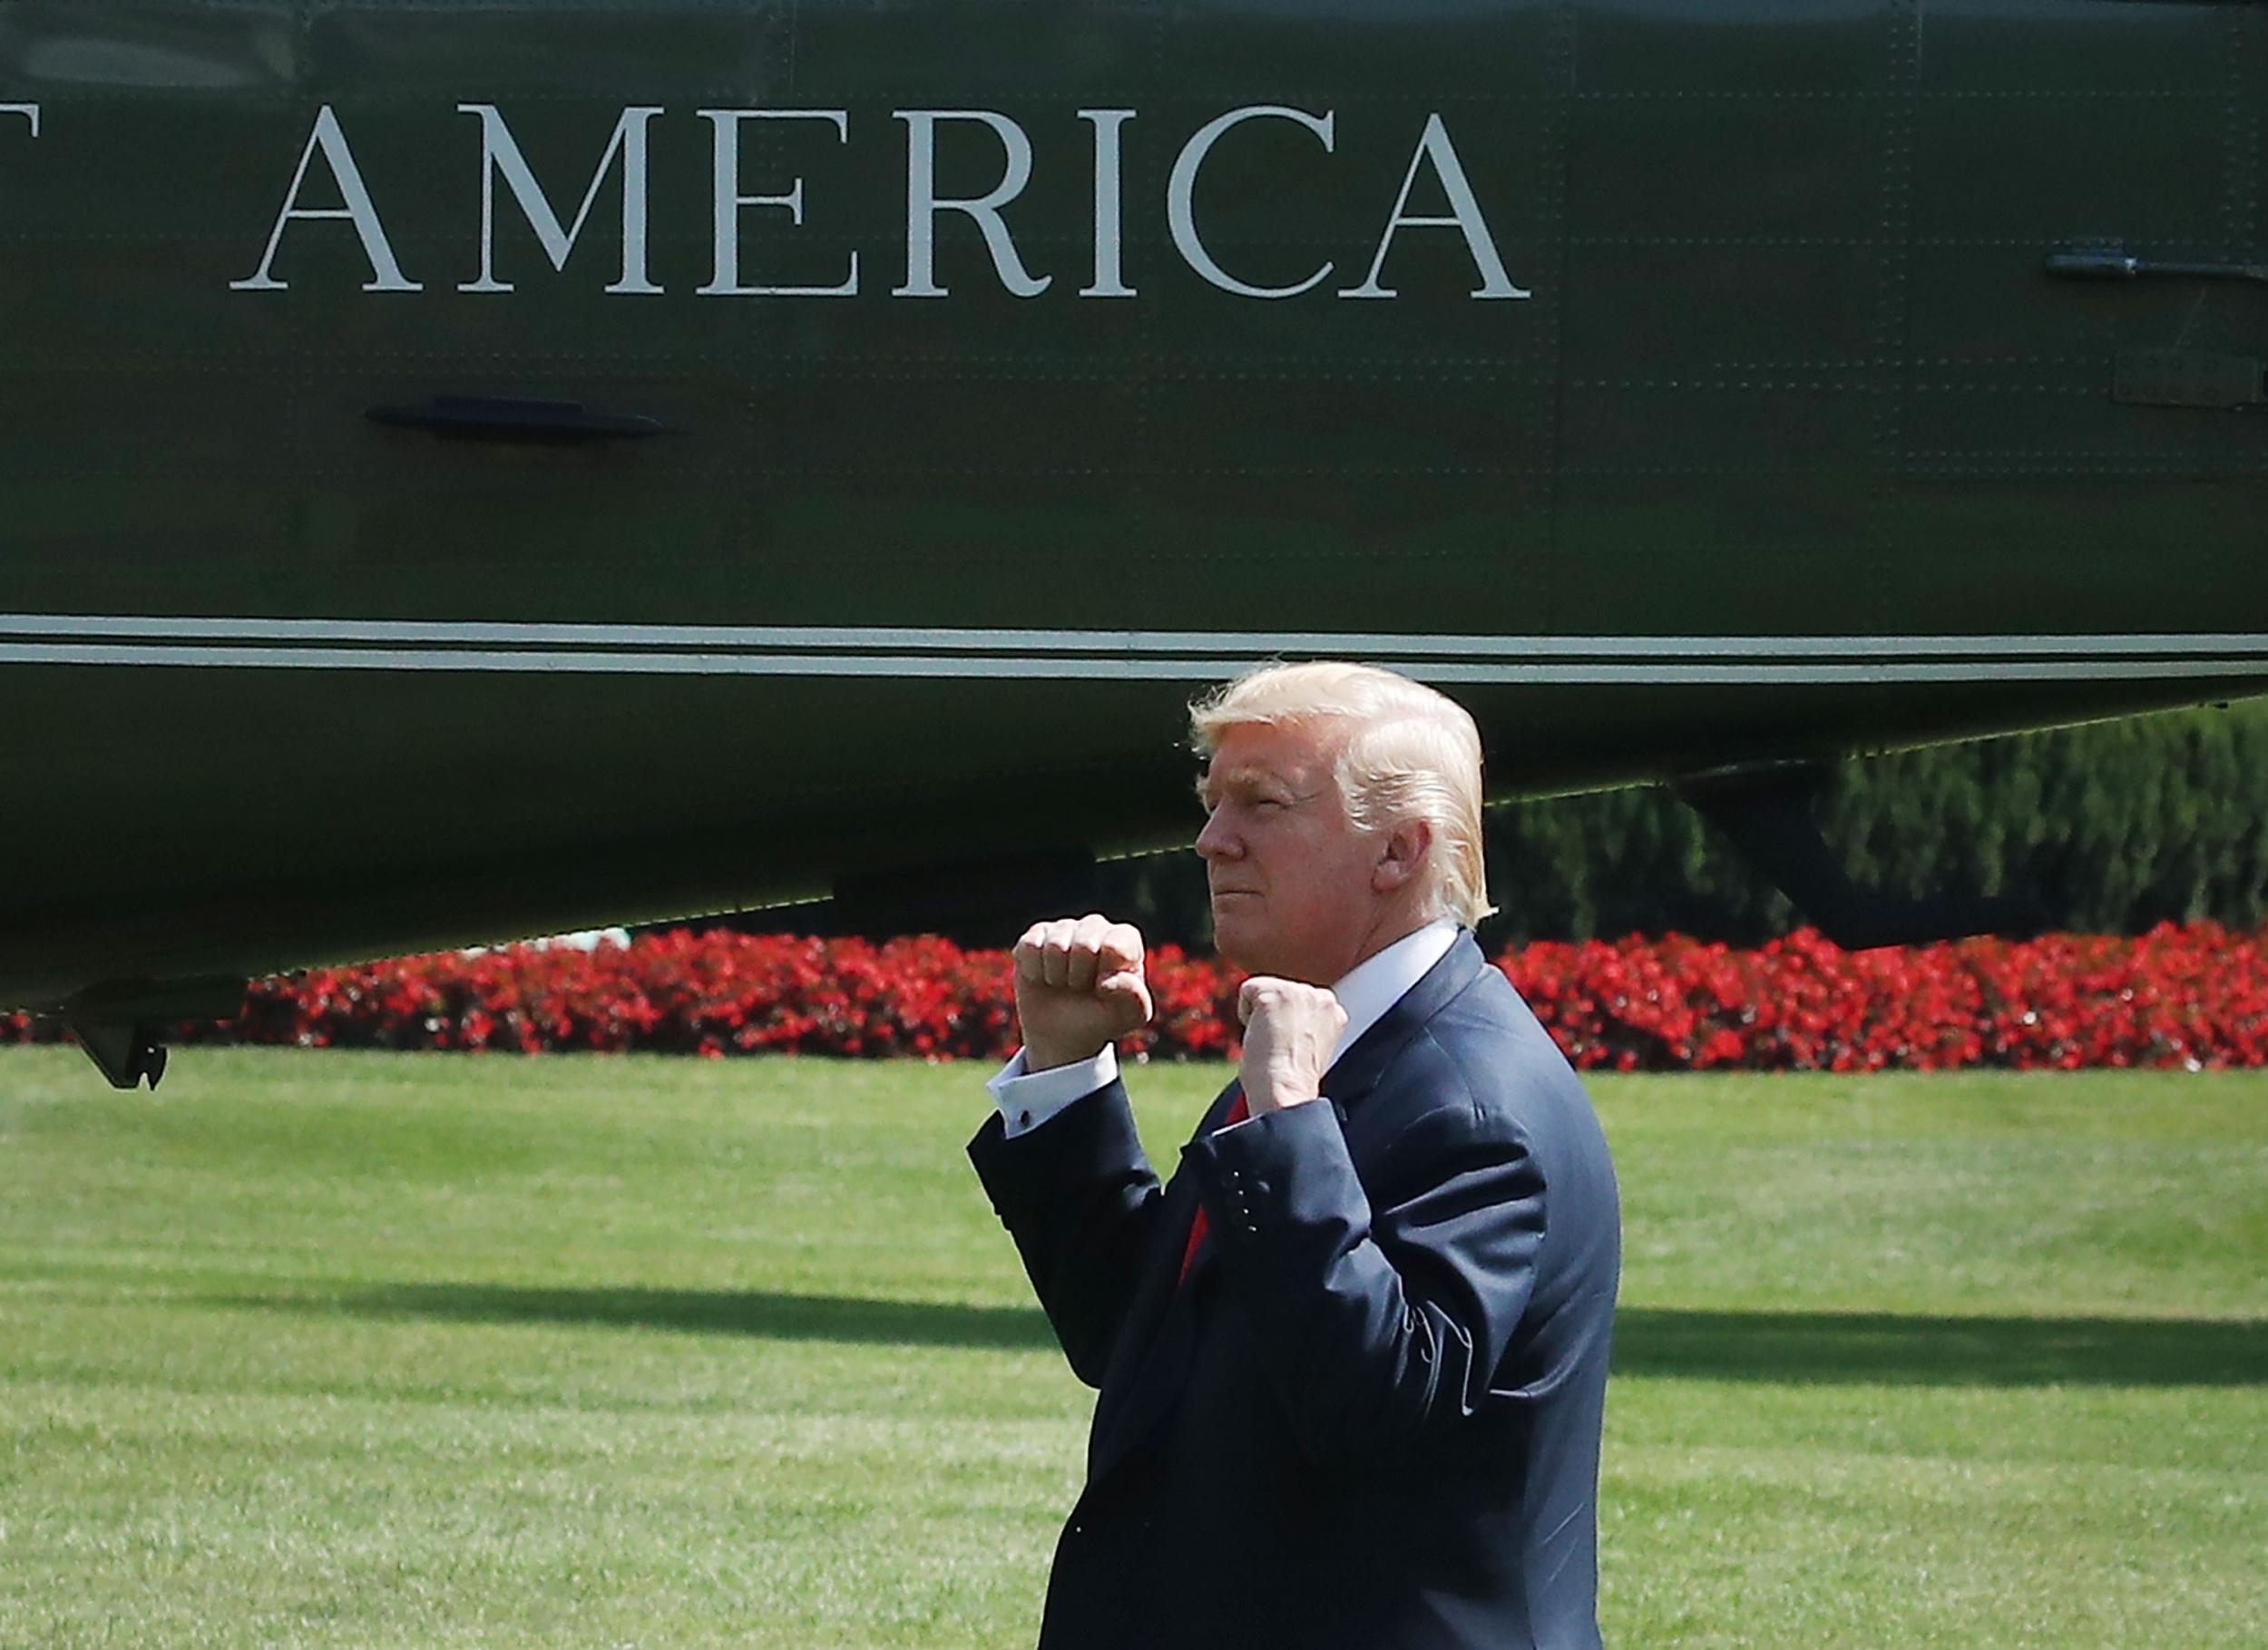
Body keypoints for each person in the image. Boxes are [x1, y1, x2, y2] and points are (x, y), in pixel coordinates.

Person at [966, 661, 1620, 1650]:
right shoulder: (1337, 1037)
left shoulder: (1472, 1099)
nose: (1210, 838)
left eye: (1260, 803)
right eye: (1211, 801)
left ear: (1399, 850)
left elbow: (1376, 1410)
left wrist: (1285, 1122)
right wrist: (1065, 1067)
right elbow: (1142, 1342)